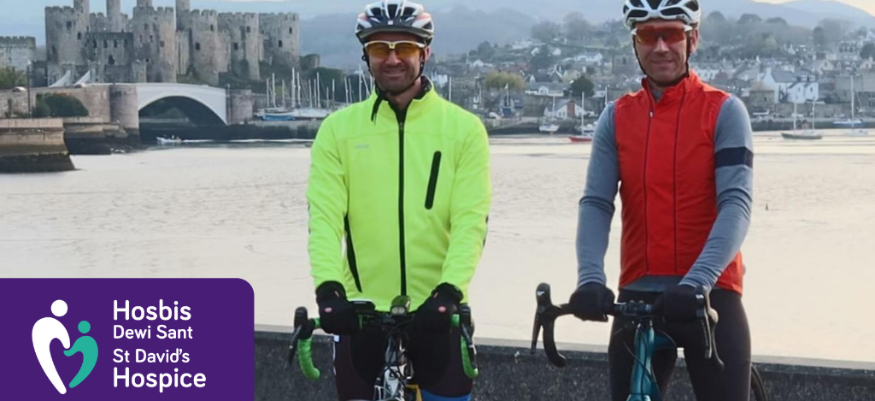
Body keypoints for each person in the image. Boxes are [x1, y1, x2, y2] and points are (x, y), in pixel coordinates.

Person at [568, 1, 754, 400]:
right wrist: (590, 279)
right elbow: (597, 203)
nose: (660, 47)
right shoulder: (616, 117)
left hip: (710, 293)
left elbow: (736, 205)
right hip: (639, 295)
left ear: (692, 39)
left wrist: (697, 282)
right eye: (648, 36)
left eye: (671, 34)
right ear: (635, 43)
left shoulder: (724, 111)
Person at [305, 1, 491, 400]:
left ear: (424, 53)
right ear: (366, 55)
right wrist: (329, 289)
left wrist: (450, 291)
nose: (392, 59)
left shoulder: (464, 130)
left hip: (439, 311)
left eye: (404, 47)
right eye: (379, 48)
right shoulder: (337, 131)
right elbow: (324, 218)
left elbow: (471, 221)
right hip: (361, 313)